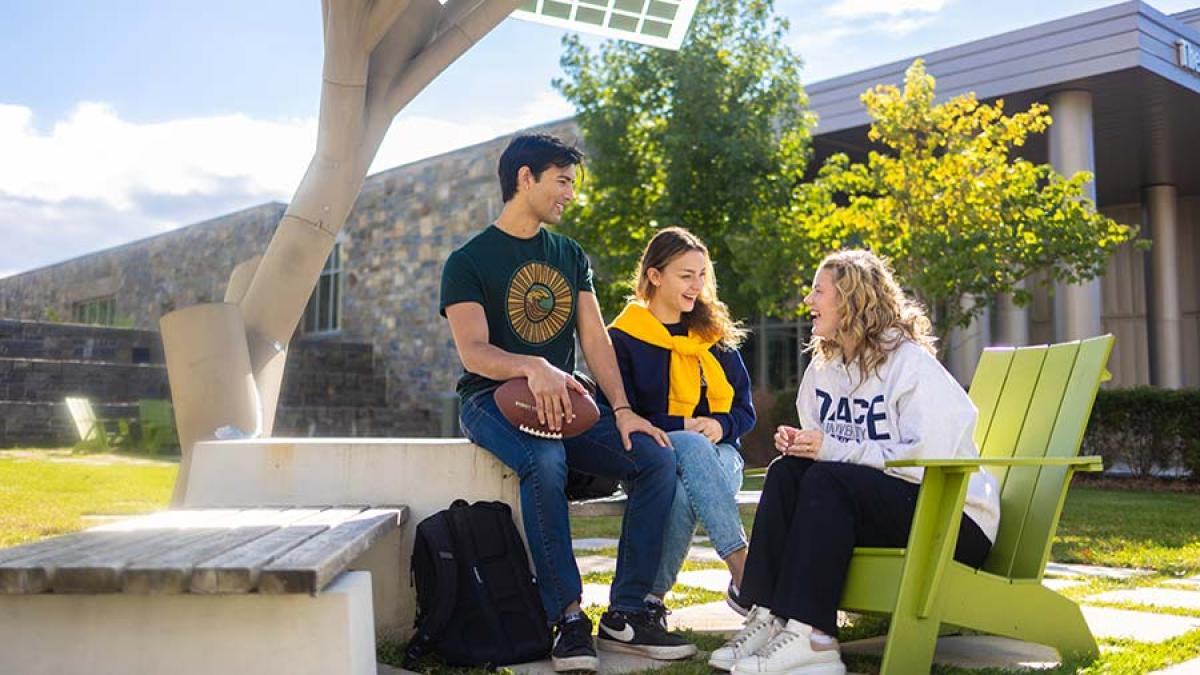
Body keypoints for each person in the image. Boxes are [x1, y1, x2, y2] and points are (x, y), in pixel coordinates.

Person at [439, 134, 697, 672]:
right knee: (546, 461)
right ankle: (568, 617)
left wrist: (623, 410)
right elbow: (474, 352)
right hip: (493, 399)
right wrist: (533, 366)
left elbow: (595, 338)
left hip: (567, 402)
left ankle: (627, 612)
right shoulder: (467, 262)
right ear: (525, 178)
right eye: (562, 181)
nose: (569, 195)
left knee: (655, 459)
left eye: (572, 184)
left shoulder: (568, 255)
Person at [710, 249, 1001, 675]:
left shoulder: (910, 365)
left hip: (954, 518)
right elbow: (829, 453)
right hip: (887, 507)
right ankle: (768, 615)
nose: (808, 301)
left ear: (851, 300)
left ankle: (816, 638)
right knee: (787, 473)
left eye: (818, 291)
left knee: (828, 478)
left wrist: (831, 450)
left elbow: (929, 459)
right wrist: (803, 444)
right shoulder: (826, 367)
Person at [605, 227, 755, 626]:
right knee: (688, 451)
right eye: (686, 275)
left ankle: (650, 598)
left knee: (690, 476)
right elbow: (621, 413)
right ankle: (743, 570)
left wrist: (721, 427)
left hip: (722, 454)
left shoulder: (711, 334)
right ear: (654, 276)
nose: (698, 286)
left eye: (702, 275)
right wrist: (684, 425)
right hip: (653, 459)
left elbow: (745, 410)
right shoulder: (621, 338)